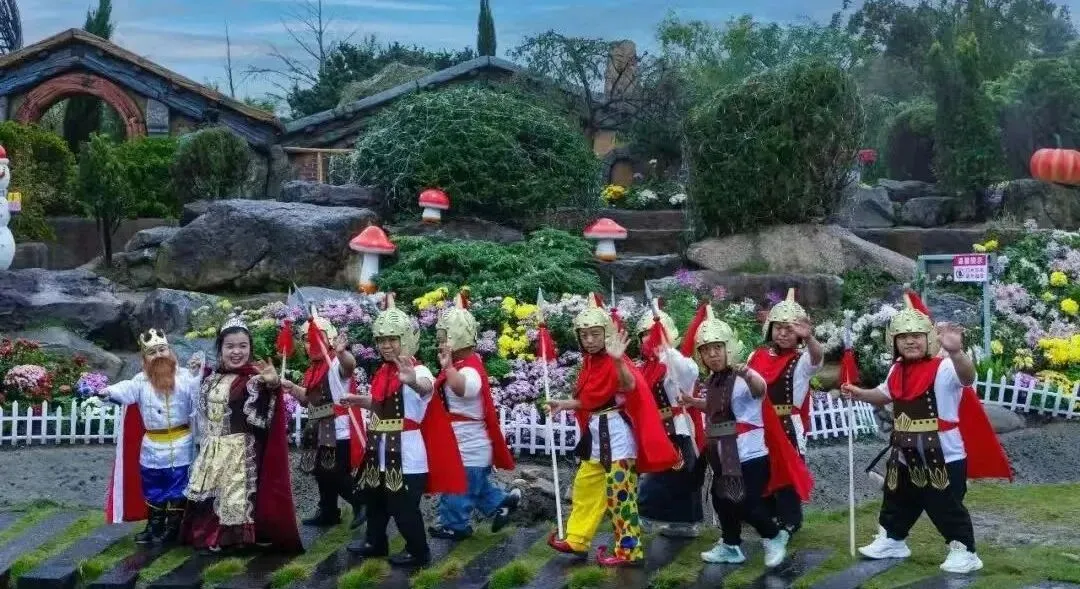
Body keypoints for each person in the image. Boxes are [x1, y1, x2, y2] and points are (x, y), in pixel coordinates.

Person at [841, 290, 1011, 574]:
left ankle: (965, 551)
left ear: (928, 338)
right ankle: (893, 540)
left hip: (943, 452)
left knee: (944, 502)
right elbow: (884, 394)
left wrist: (956, 352)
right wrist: (859, 393)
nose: (910, 341)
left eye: (917, 335)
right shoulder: (897, 369)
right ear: (894, 341)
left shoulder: (945, 367)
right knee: (897, 498)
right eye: (904, 336)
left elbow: (967, 377)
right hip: (904, 451)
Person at [546, 293, 680, 567]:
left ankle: (629, 552)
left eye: (595, 334)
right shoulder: (590, 363)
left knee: (620, 495)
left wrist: (618, 360)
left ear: (605, 333)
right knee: (585, 487)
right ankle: (577, 539)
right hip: (597, 437)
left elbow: (629, 386)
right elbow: (593, 400)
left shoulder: (615, 360)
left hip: (618, 439)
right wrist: (565, 403)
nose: (589, 340)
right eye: (584, 335)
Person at [678, 303, 813, 568]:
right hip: (723, 451)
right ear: (700, 355)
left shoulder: (743, 373)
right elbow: (719, 408)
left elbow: (759, 390)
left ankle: (773, 536)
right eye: (706, 350)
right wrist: (694, 402)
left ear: (728, 348)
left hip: (750, 452)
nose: (713, 354)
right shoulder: (714, 380)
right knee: (721, 500)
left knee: (745, 502)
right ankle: (730, 545)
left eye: (717, 348)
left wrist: (749, 375)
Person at [340, 294, 466, 567]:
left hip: (407, 452)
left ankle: (418, 551)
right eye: (381, 340)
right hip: (379, 449)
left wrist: (411, 381)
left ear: (405, 338)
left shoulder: (419, 370)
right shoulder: (383, 372)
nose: (386, 345)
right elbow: (381, 404)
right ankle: (375, 542)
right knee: (375, 500)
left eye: (392, 339)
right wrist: (358, 400)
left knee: (403, 506)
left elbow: (426, 388)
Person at [182, 316, 302, 555]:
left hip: (240, 451)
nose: (236, 352)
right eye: (230, 346)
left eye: (242, 346)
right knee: (211, 493)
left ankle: (234, 539)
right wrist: (199, 370)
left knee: (235, 496)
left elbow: (265, 417)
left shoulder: (254, 380)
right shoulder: (212, 377)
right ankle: (210, 535)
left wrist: (272, 386)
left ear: (250, 348)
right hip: (213, 448)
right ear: (220, 348)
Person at [428, 290, 522, 541]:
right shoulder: (465, 364)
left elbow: (465, 389)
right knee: (475, 486)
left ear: (455, 338)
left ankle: (455, 525)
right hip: (465, 442)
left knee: (457, 487)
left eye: (443, 338)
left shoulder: (469, 369)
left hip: (469, 445)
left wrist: (448, 368)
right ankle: (502, 503)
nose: (440, 343)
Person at [102, 328, 201, 544]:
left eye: (162, 349)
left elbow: (198, 394)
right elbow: (124, 389)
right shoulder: (140, 381)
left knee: (179, 488)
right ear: (144, 358)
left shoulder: (186, 377)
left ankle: (173, 529)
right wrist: (106, 391)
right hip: (152, 447)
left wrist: (199, 372)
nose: (158, 355)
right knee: (153, 487)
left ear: (170, 351)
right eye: (152, 352)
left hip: (181, 446)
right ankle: (154, 526)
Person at [748, 288, 822, 536]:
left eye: (789, 329)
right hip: (760, 423)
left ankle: (791, 520)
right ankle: (769, 517)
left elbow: (817, 359)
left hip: (787, 424)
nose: (782, 333)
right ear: (770, 328)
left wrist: (810, 338)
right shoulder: (756, 356)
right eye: (779, 327)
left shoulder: (802, 360)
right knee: (763, 469)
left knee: (787, 472)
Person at [291, 308, 366, 529]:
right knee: (320, 472)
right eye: (307, 340)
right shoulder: (313, 369)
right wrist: (289, 387)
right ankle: (328, 511)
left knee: (333, 472)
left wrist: (342, 353)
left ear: (329, 339)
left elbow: (349, 367)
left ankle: (361, 502)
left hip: (337, 427)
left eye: (317, 337)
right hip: (318, 426)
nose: (311, 343)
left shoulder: (334, 363)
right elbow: (308, 399)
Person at [634, 299, 703, 537]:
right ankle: (656, 518)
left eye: (652, 333)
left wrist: (666, 349)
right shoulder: (644, 368)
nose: (648, 339)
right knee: (657, 475)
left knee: (679, 475)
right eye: (644, 335)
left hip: (676, 428)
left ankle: (682, 523)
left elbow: (689, 372)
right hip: (655, 430)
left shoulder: (676, 365)